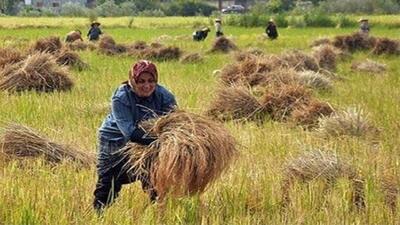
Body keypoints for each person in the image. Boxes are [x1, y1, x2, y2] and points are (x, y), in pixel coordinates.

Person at [93, 60, 177, 212]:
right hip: (115, 140)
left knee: (155, 175)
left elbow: (175, 123)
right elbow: (130, 133)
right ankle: (99, 215)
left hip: (149, 140)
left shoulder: (164, 96)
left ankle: (156, 213)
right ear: (132, 80)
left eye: (151, 81)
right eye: (141, 81)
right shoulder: (121, 97)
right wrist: (160, 142)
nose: (146, 86)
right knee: (109, 181)